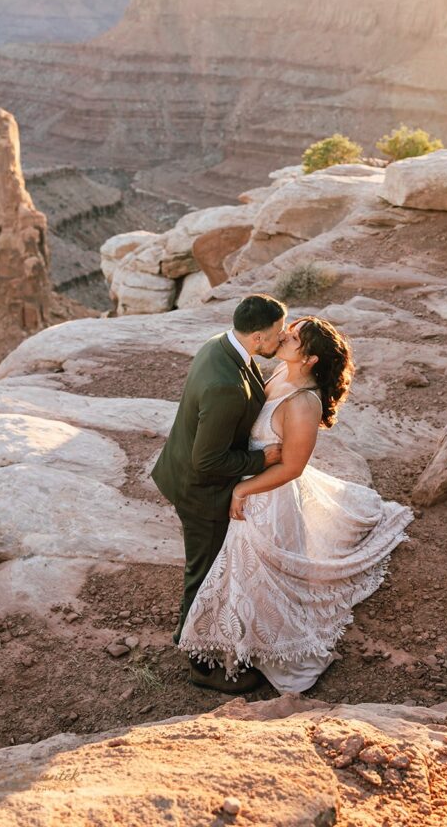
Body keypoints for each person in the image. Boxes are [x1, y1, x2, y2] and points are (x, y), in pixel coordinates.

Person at [177, 316, 414, 694]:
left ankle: (269, 643)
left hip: (268, 495)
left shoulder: (304, 402)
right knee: (237, 569)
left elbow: (292, 467)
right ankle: (241, 635)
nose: (285, 334)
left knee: (258, 572)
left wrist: (243, 490)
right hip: (252, 478)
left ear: (311, 359)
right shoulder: (280, 374)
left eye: (296, 335)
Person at [151, 293, 287, 693]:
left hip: (184, 472)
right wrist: (262, 461)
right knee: (204, 571)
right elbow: (207, 462)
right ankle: (198, 661)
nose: (281, 340)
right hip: (200, 492)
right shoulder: (225, 385)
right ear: (259, 337)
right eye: (278, 334)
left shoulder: (220, 344)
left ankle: (208, 639)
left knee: (210, 567)